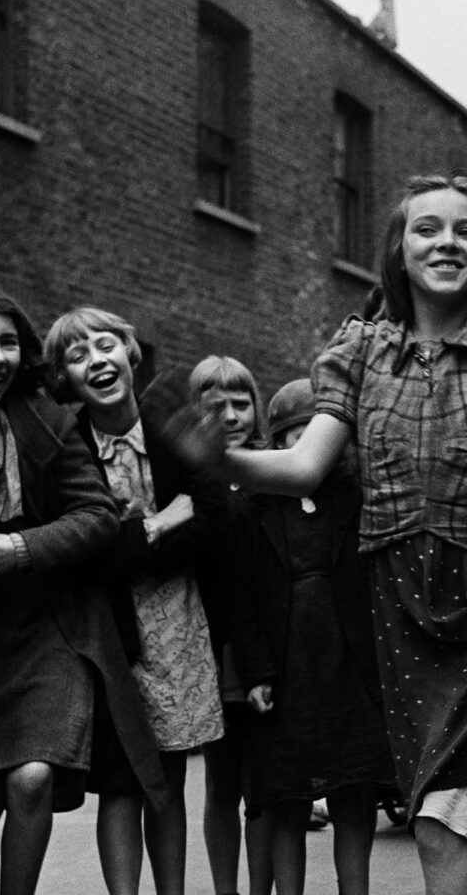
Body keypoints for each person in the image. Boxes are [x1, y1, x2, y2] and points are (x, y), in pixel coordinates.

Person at [180, 174, 467, 895]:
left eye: (466, 231)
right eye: (427, 228)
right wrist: (218, 458)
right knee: (439, 812)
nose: (449, 242)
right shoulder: (363, 350)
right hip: (402, 610)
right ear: (398, 251)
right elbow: (307, 467)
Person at [0, 284, 139, 895]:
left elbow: (97, 517)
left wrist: (22, 548)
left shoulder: (46, 420)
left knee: (32, 778)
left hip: (49, 626)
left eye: (9, 342)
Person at [44, 306, 227, 895]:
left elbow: (212, 521)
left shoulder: (170, 427)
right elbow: (83, 553)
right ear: (67, 379)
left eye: (105, 346)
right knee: (121, 781)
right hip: (106, 628)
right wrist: (158, 525)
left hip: (176, 620)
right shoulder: (64, 444)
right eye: (78, 356)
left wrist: (131, 536)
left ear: (131, 355)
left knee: (167, 777)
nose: (96, 361)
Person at [230, 377, 395, 895]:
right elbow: (243, 603)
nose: (308, 456)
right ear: (276, 447)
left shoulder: (358, 502)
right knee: (285, 800)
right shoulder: (252, 512)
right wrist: (255, 673)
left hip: (349, 670)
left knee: (355, 793)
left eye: (318, 442)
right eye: (294, 440)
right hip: (286, 673)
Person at [187, 356, 273, 895]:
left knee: (261, 783)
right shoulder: (192, 479)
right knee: (220, 782)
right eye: (216, 405)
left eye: (241, 403)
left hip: (266, 645)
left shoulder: (273, 471)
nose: (232, 415)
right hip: (212, 646)